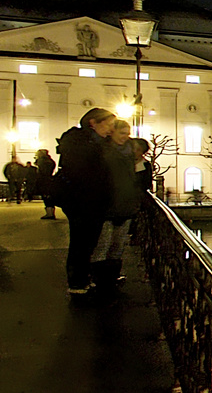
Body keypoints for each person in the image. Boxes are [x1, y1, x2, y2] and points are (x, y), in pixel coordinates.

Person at [56, 108, 117, 295]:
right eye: (108, 125)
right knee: (81, 241)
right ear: (93, 122)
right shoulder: (81, 143)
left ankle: (82, 278)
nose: (110, 130)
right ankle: (76, 282)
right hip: (83, 200)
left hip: (93, 200)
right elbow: (82, 173)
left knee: (88, 241)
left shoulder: (96, 143)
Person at [87, 125, 146, 292]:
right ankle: (99, 281)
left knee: (118, 245)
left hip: (125, 205)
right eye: (122, 133)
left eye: (127, 134)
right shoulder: (104, 151)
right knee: (103, 245)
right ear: (112, 132)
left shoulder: (128, 153)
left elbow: (131, 180)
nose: (125, 137)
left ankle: (111, 278)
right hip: (107, 205)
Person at [34, 148, 58, 219]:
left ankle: (49, 213)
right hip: (49, 179)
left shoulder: (42, 161)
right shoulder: (50, 161)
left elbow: (42, 172)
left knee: (46, 196)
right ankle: (51, 212)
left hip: (44, 181)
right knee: (49, 196)